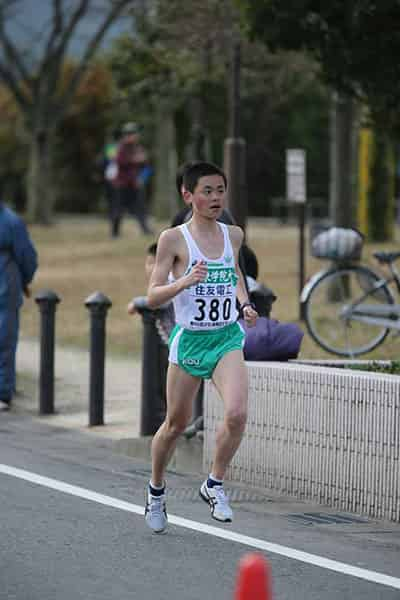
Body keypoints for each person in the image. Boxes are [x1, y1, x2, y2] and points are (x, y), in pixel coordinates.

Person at [144, 161, 258, 533]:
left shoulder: (234, 235)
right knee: (175, 424)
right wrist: (185, 281)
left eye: (220, 190)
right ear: (187, 195)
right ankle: (156, 491)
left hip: (226, 336)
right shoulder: (173, 240)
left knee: (237, 414)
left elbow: (236, 271)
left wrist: (244, 302)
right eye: (207, 191)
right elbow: (152, 296)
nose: (215, 198)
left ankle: (214, 483)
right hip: (191, 339)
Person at [0, 195, 38, 411]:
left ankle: (3, 390)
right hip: (6, 282)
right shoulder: (11, 221)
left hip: (5, 284)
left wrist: (23, 279)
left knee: (4, 336)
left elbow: (26, 256)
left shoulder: (11, 222)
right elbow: (28, 257)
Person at [113, 122, 152, 237]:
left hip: (135, 183)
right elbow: (121, 162)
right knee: (119, 209)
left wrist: (142, 176)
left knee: (140, 207)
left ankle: (145, 229)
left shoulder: (137, 148)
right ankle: (115, 233)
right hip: (122, 184)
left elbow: (145, 164)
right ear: (126, 136)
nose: (135, 136)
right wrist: (136, 160)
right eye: (132, 134)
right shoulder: (121, 148)